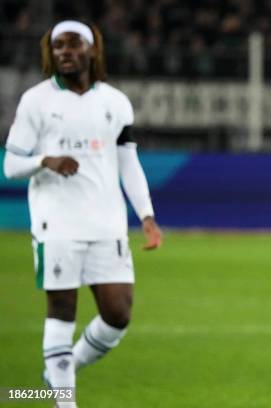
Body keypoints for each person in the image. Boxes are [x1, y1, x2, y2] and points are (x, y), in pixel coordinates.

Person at [3, 20, 162, 407]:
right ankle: (64, 401)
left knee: (118, 313)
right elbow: (10, 164)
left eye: (73, 45)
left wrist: (146, 215)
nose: (65, 52)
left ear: (92, 50)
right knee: (62, 310)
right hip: (55, 222)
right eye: (58, 46)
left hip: (107, 223)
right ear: (50, 52)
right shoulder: (36, 101)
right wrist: (46, 160)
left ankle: (61, 371)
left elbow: (129, 164)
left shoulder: (115, 102)